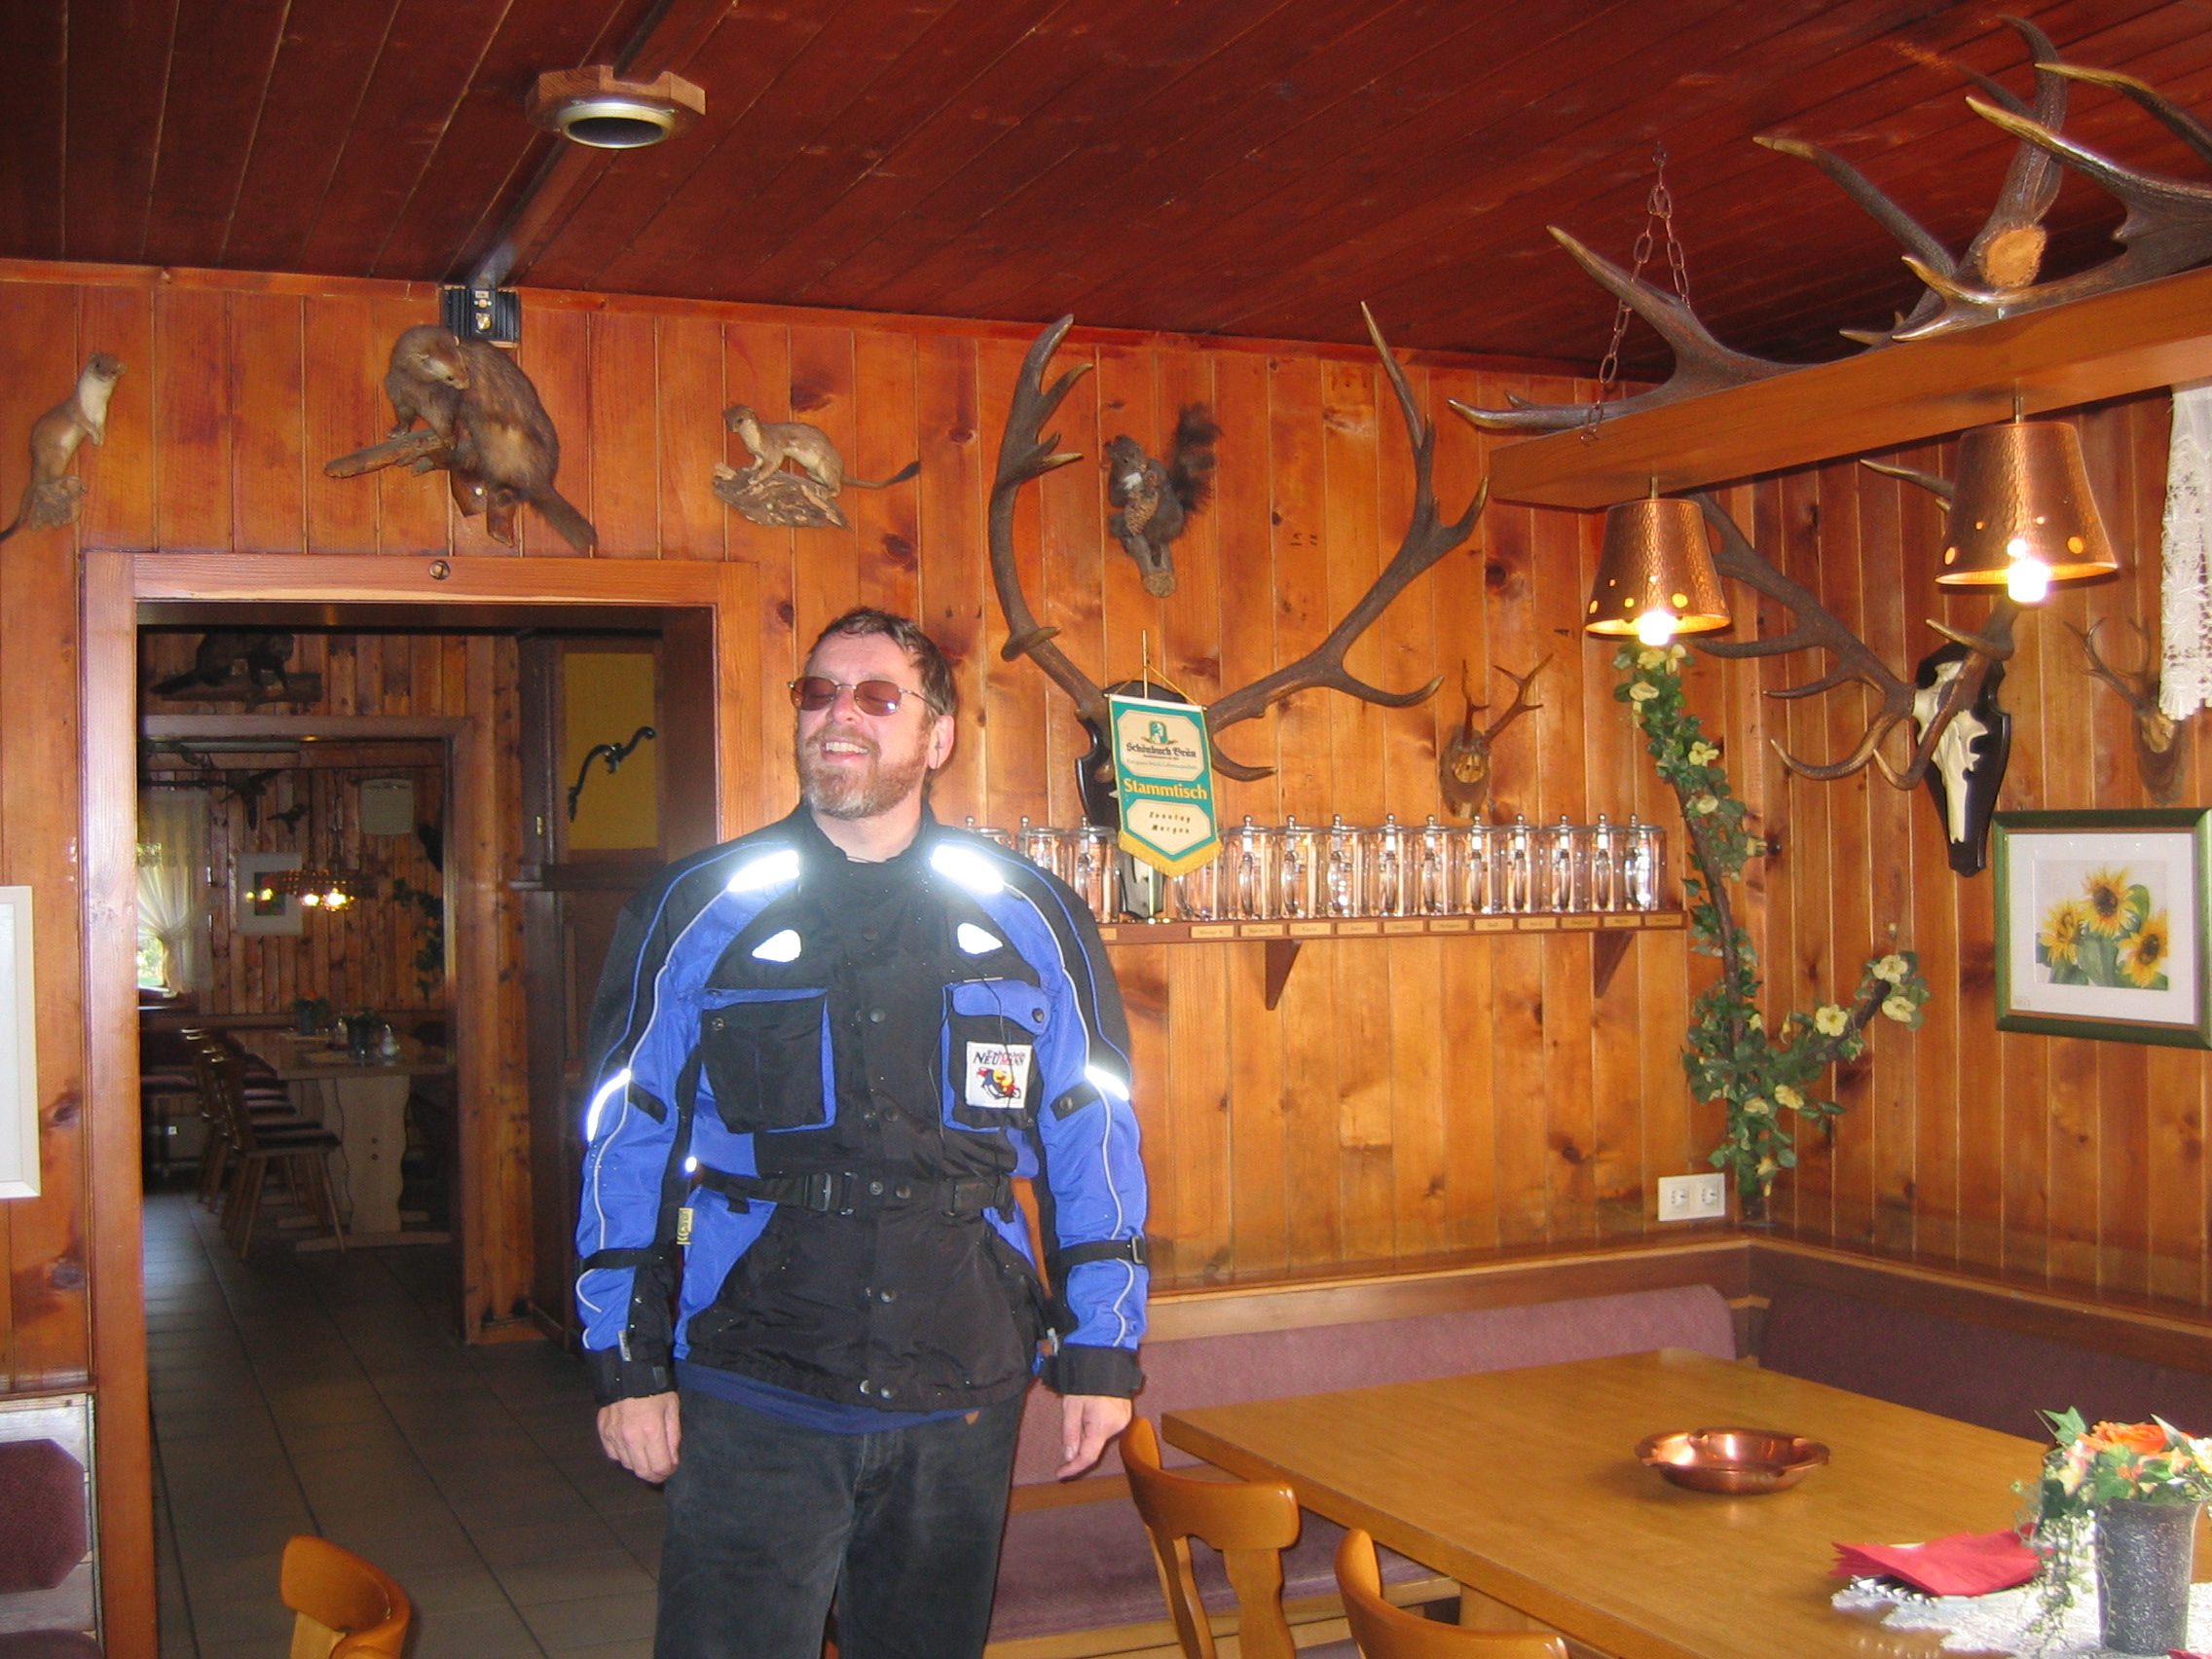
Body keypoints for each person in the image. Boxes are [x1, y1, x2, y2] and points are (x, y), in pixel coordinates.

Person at [574, 608, 1148, 1659]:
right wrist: (626, 1364)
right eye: (818, 692)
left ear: (938, 737)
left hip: (961, 1385)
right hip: (756, 1379)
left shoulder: (1033, 914)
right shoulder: (696, 906)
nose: (839, 715)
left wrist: (1101, 1350)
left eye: (877, 696)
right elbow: (628, 1137)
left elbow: (1092, 1135)